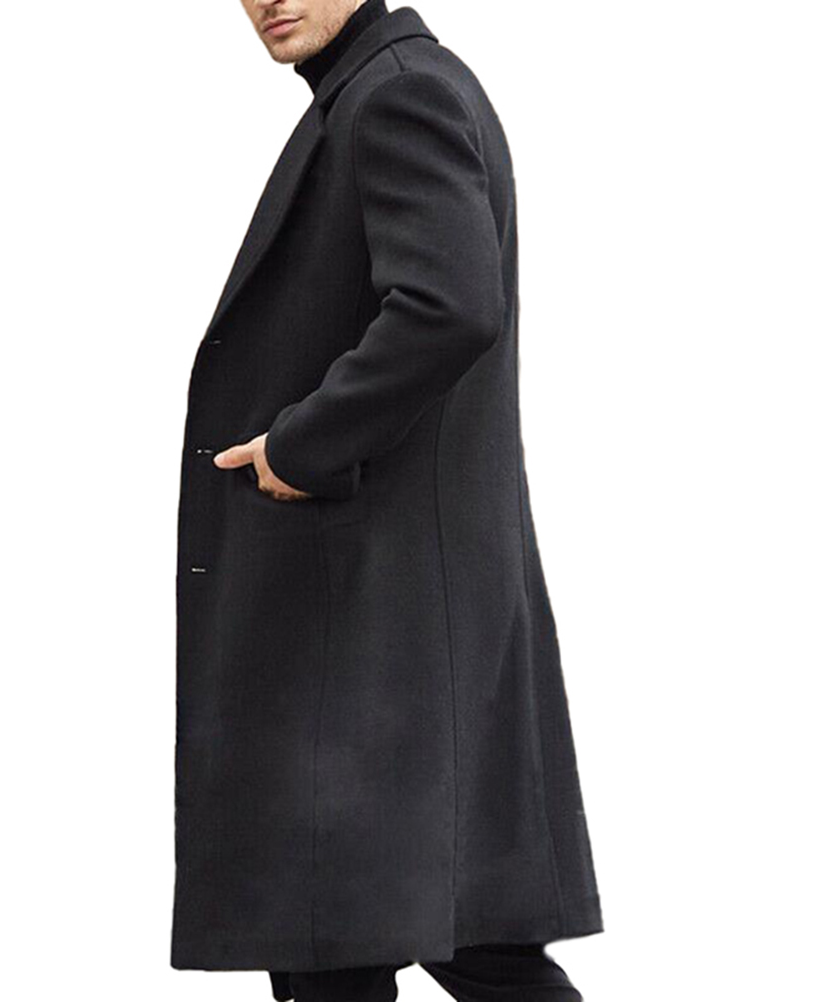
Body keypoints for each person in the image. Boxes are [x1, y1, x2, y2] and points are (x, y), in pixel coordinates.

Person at [171, 2, 604, 999]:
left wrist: (303, 445)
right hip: (390, 622)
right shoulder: (381, 90)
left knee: (355, 943)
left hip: (367, 629)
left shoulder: (397, 96)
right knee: (441, 940)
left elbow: (450, 306)